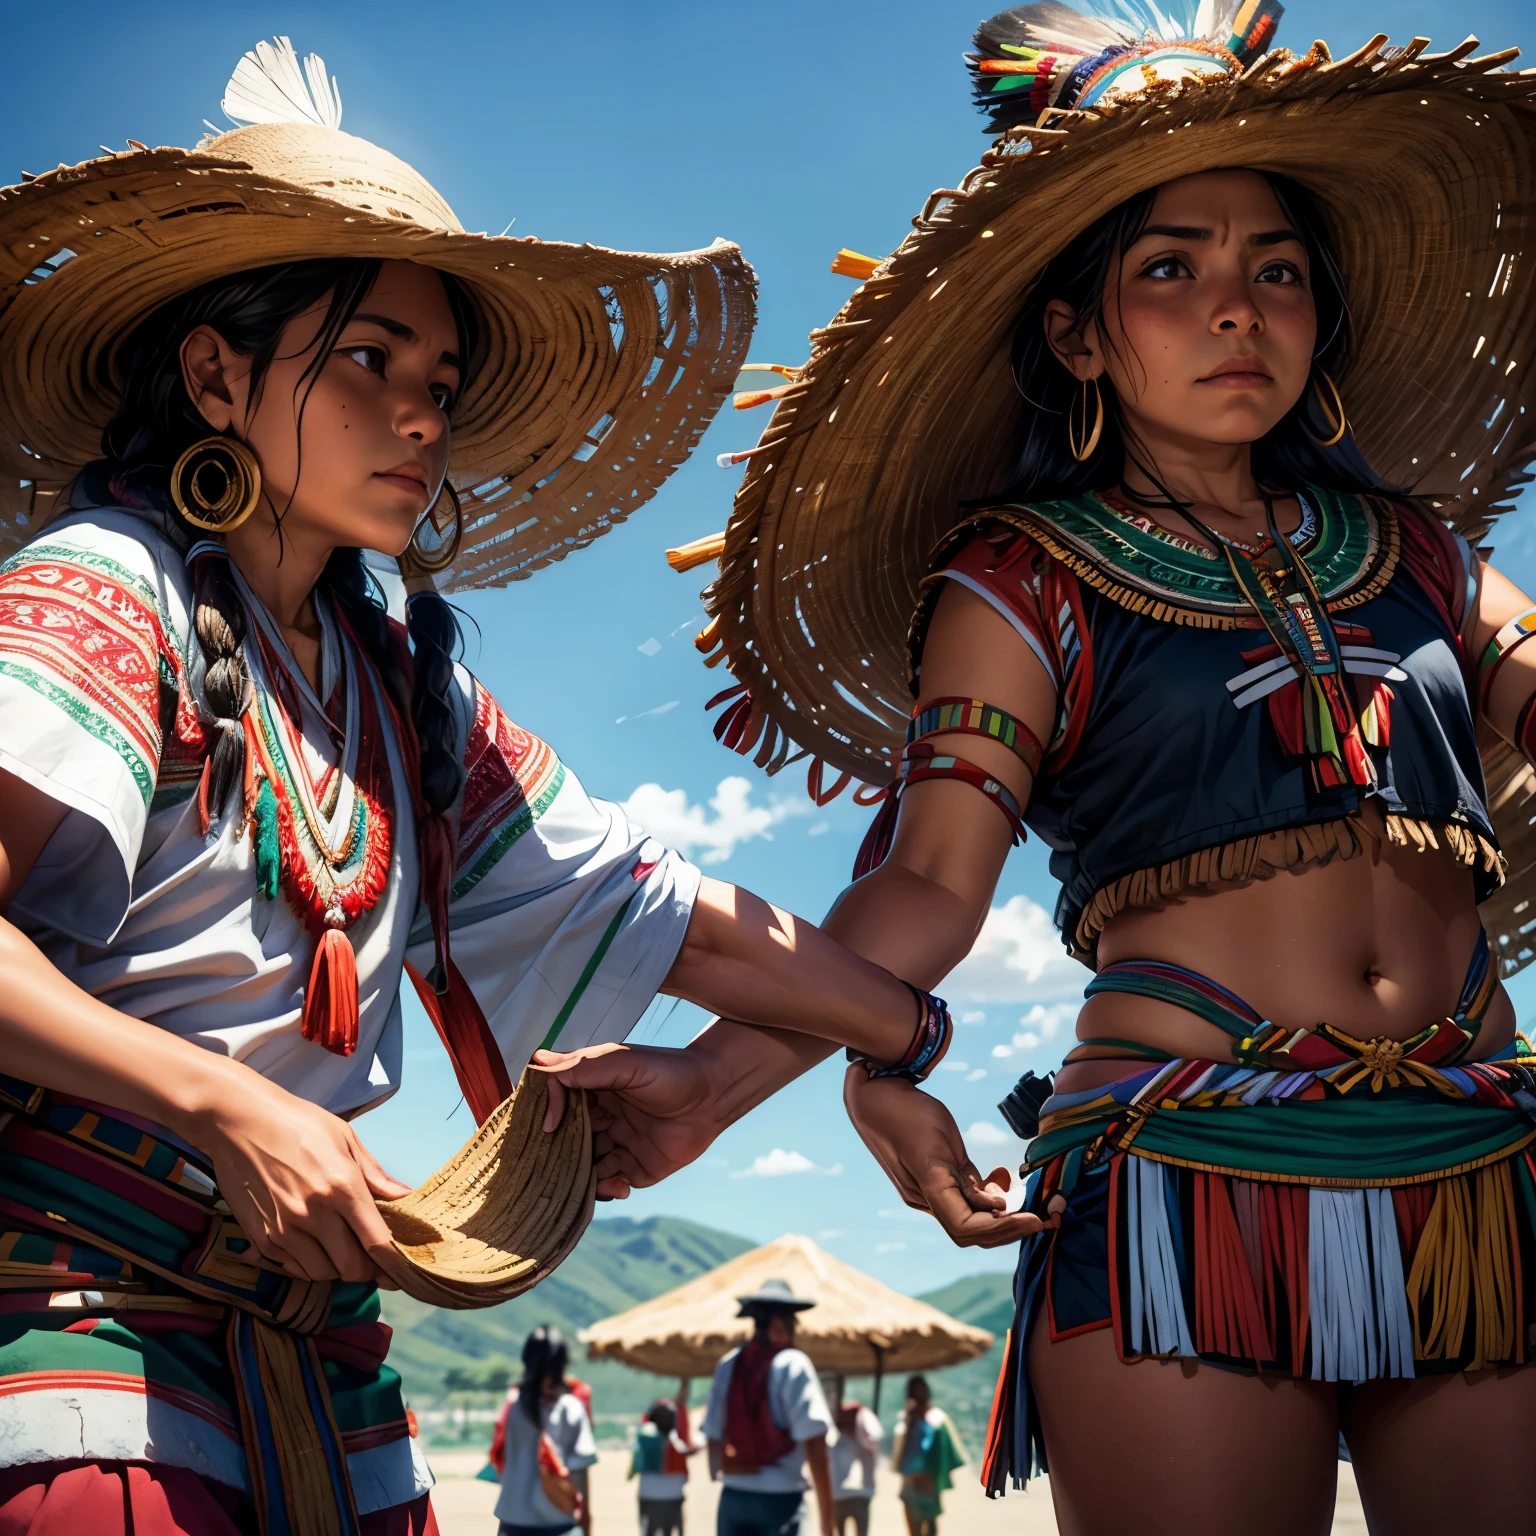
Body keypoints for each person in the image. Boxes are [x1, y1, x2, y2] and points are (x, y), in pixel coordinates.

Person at [536, 5, 1536, 1533]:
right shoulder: (1022, 582)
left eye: (1275, 268)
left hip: (1481, 1160)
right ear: (1077, 333)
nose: (1234, 310)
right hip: (1183, 1175)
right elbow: (931, 884)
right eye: (1170, 270)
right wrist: (715, 1084)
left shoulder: (1420, 553)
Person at [0, 35, 971, 1536]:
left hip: (322, 1350)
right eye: (370, 362)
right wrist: (214, 1101)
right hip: (83, 1327)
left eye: (440, 382)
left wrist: (903, 1037)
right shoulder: (98, 590)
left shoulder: (406, 688)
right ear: (214, 372)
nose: (420, 418)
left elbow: (685, 923)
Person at [702, 1281, 835, 1536]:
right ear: (782, 1325)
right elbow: (815, 1441)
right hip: (780, 1497)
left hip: (733, 1497)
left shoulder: (729, 1364)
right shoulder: (793, 1363)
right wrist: (828, 1522)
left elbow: (713, 1436)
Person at [495, 1329, 596, 1536]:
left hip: (513, 1520)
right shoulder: (570, 1407)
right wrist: (586, 1518)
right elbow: (579, 1470)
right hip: (557, 1521)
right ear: (563, 1365)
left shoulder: (513, 1404)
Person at [890, 1378, 964, 1536]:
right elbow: (900, 1455)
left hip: (930, 1481)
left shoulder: (937, 1419)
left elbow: (945, 1452)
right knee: (914, 1529)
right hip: (910, 1482)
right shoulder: (905, 1420)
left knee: (930, 1526)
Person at [629, 1382, 701, 1536]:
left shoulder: (645, 1439)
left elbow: (635, 1466)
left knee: (648, 1531)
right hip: (674, 1497)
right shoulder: (677, 1442)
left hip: (648, 1496)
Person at [819, 1372, 881, 1536]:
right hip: (845, 1490)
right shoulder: (831, 1418)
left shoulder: (860, 1414)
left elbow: (873, 1438)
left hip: (853, 1489)